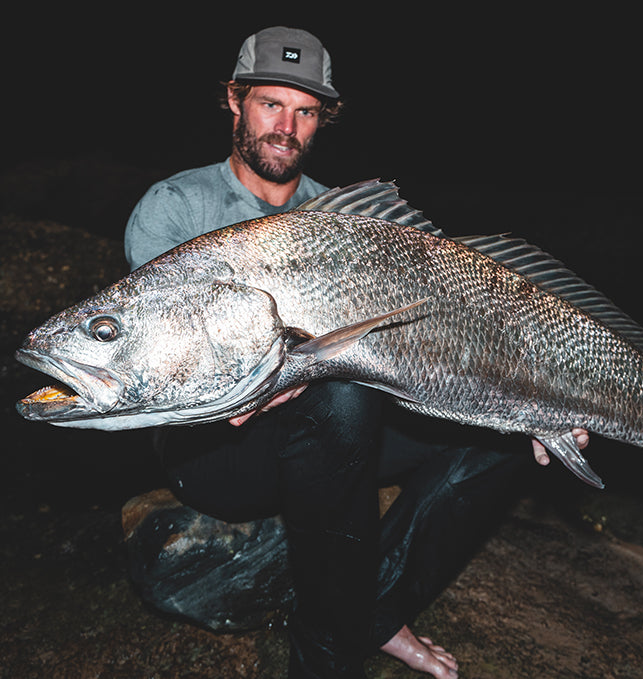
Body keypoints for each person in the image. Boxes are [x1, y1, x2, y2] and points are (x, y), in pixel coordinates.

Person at [124, 26, 589, 679]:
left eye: (305, 111)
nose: (286, 126)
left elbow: (431, 341)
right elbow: (154, 367)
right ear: (234, 100)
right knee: (340, 388)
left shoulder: (347, 219)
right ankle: (323, 660)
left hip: (335, 439)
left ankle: (374, 608)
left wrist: (535, 396)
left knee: (500, 432)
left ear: (321, 120)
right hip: (215, 452)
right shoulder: (174, 207)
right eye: (269, 104)